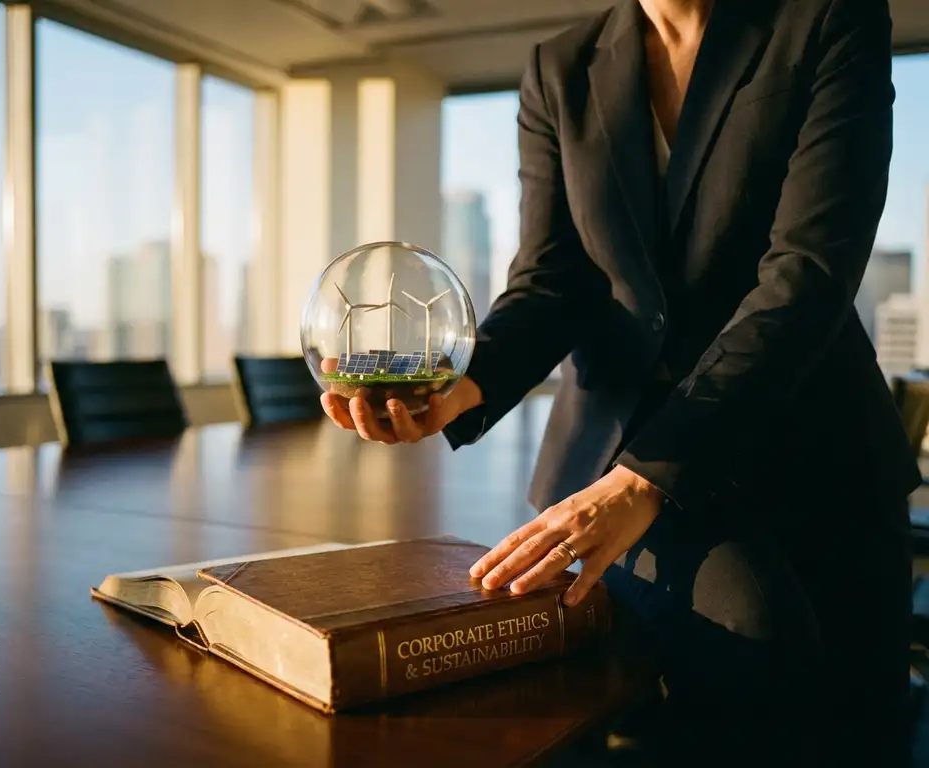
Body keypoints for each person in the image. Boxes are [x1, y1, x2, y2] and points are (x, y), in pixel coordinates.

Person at [321, 0, 918, 764]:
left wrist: (644, 478)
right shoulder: (559, 67)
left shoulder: (828, 18)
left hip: (813, 451)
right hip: (619, 448)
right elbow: (550, 279)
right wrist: (459, 391)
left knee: (855, 726)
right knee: (748, 654)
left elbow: (808, 274)